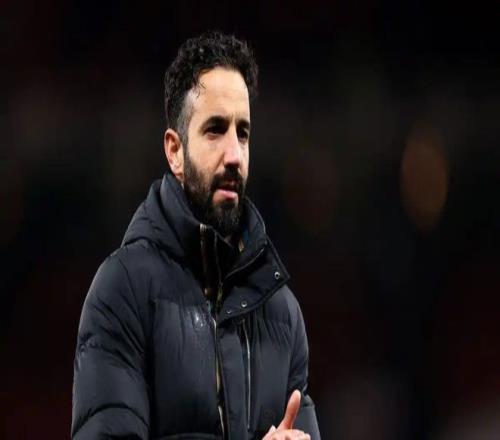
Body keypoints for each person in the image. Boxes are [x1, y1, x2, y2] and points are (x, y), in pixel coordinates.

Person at [72, 31, 320, 440]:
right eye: (215, 130)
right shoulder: (123, 291)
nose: (234, 155)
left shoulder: (282, 313)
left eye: (243, 133)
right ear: (175, 151)